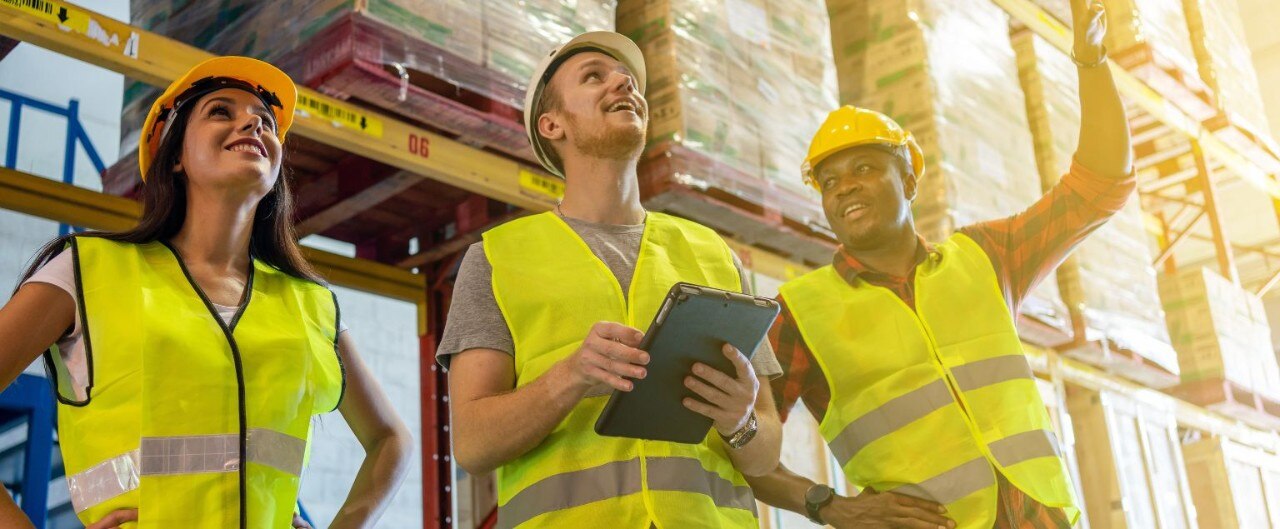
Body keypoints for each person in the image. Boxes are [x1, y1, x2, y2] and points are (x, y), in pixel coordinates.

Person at [745, 1, 1129, 527]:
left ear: (908, 181)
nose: (845, 187)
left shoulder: (984, 258)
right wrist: (829, 506)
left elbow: (1099, 187)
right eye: (829, 182)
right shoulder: (798, 313)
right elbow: (744, 442)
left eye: (864, 168)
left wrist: (1091, 60)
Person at [0, 57, 413, 529]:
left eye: (265, 121)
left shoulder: (309, 305)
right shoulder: (87, 270)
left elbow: (391, 439)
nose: (252, 123)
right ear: (175, 155)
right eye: (221, 111)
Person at [440, 32, 783, 528]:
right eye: (594, 76)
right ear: (551, 123)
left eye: (625, 76)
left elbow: (766, 452)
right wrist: (570, 376)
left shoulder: (714, 254)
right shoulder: (496, 258)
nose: (623, 81)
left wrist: (741, 422)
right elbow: (472, 445)